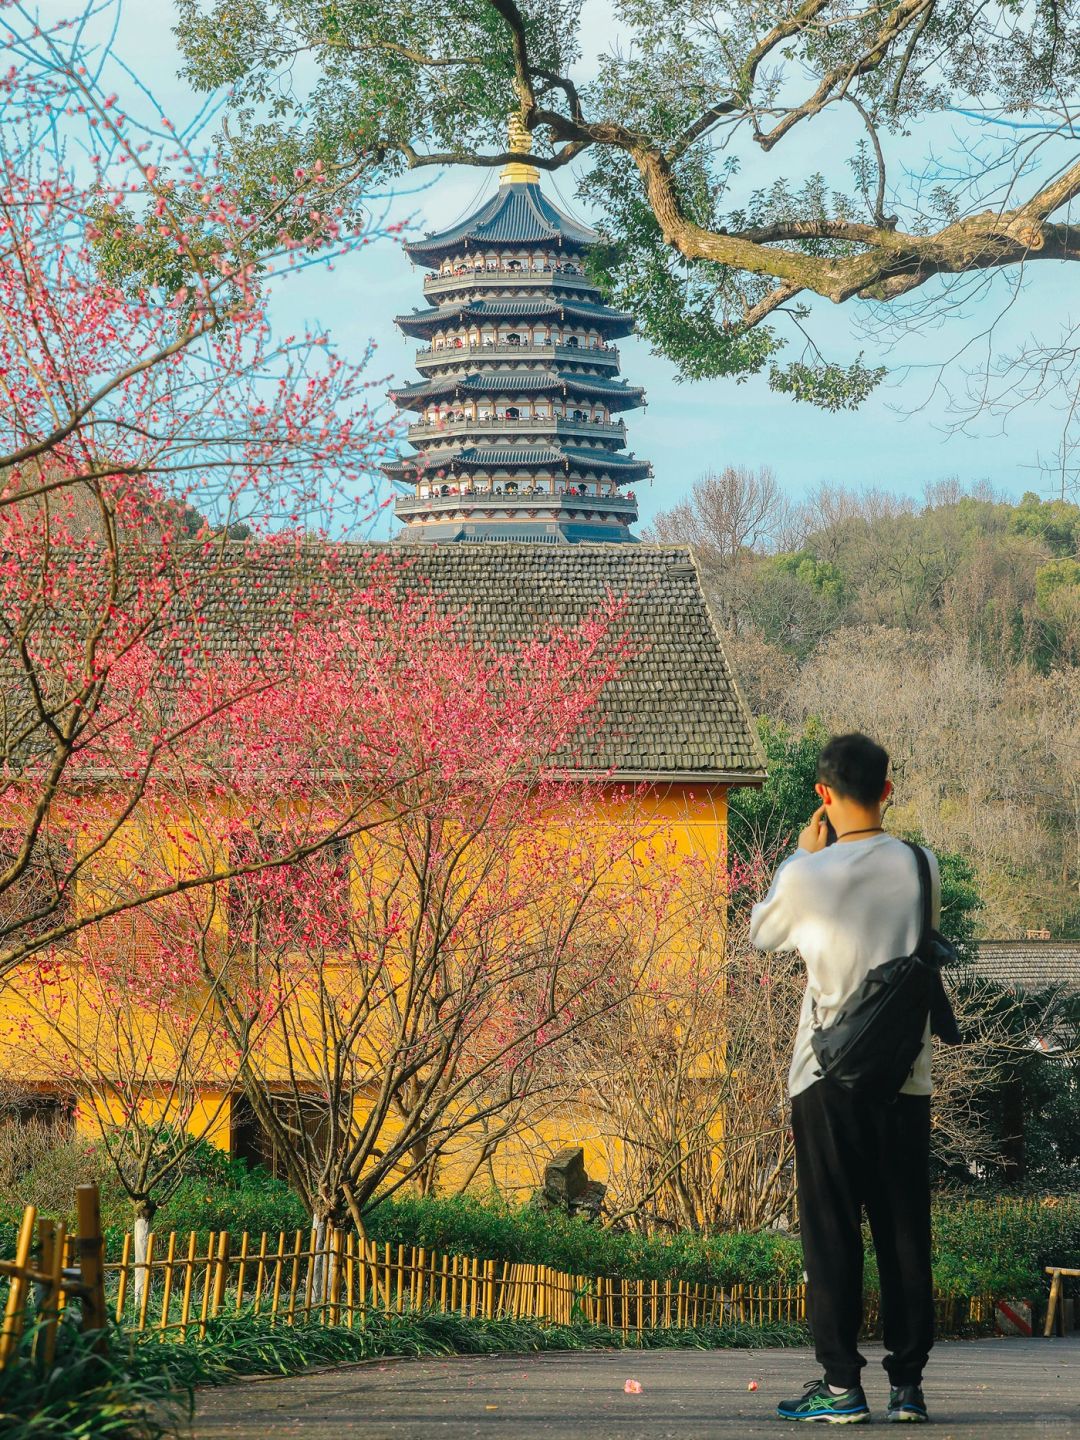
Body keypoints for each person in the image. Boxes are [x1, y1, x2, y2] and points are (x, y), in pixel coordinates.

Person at [750, 733, 937, 1426]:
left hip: (823, 1074)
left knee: (831, 1230)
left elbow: (762, 935)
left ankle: (840, 1387)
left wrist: (805, 857)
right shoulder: (924, 867)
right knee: (904, 1229)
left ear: (823, 795)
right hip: (904, 1077)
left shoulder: (806, 876)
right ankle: (909, 1388)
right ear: (888, 790)